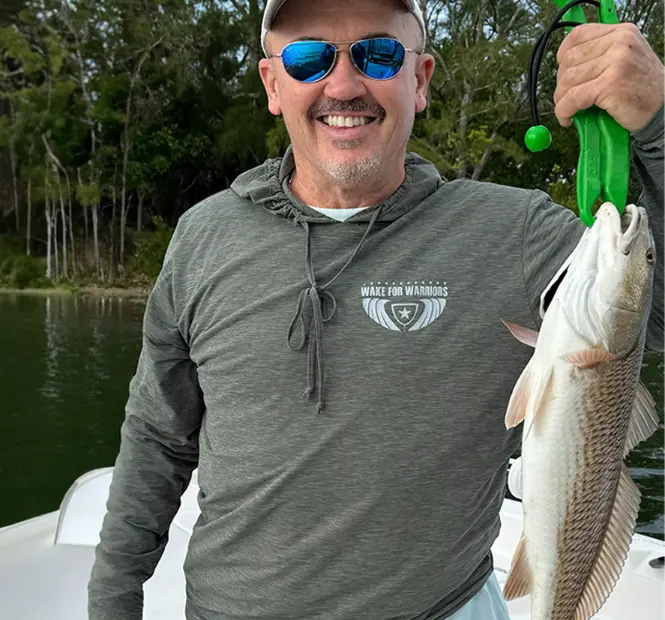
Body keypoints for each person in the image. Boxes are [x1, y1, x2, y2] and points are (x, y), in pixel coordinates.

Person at [87, 0, 665, 618]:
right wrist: (112, 604)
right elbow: (158, 440)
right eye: (308, 57)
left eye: (378, 53)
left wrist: (657, 126)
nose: (342, 85)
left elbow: (641, 314)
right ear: (273, 85)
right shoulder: (203, 235)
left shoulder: (513, 231)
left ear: (418, 80)